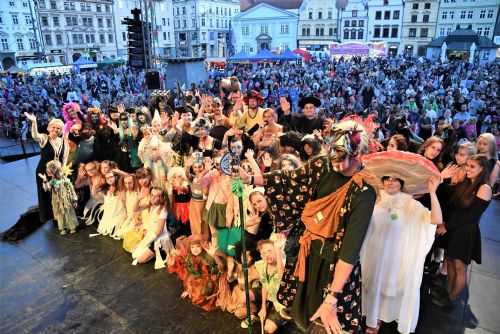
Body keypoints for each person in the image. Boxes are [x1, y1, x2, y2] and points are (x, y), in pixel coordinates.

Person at [239, 120, 378, 333]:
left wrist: (332, 298)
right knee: (306, 316)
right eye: (330, 148)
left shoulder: (364, 192)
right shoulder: (322, 164)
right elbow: (290, 179)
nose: (332, 156)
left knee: (331, 325)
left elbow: (350, 250)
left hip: (333, 266)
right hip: (309, 253)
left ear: (357, 152)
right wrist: (251, 179)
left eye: (339, 151)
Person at [360, 152, 443, 334]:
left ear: (402, 183)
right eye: (387, 178)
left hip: (393, 255)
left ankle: (377, 319)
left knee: (385, 286)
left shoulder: (408, 203)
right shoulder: (372, 195)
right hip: (370, 251)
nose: (390, 182)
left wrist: (433, 193)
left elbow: (436, 219)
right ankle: (370, 316)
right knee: (370, 284)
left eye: (395, 179)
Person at [433, 155, 492, 307]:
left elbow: (469, 216)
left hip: (465, 232)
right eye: (468, 166)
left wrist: (447, 226)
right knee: (451, 263)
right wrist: (440, 178)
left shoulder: (484, 189)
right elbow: (449, 198)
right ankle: (448, 291)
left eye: (472, 167)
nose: (467, 169)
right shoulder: (466, 184)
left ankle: (452, 297)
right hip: (454, 228)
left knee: (459, 267)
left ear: (482, 169)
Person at [24, 112, 69, 224]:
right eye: (54, 127)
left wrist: (63, 172)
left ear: (61, 130)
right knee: (45, 193)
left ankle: (58, 214)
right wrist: (34, 122)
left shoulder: (64, 142)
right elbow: (35, 136)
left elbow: (64, 158)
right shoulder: (44, 138)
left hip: (57, 172)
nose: (56, 129)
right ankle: (48, 215)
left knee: (58, 192)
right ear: (49, 128)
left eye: (58, 128)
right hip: (43, 171)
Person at [39, 160, 79, 235]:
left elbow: (72, 190)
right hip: (58, 201)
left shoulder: (66, 180)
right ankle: (63, 227)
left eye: (60, 172)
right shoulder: (53, 182)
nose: (59, 174)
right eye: (57, 173)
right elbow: (46, 188)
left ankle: (72, 226)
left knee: (69, 213)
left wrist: (75, 200)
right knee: (60, 215)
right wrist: (45, 181)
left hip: (67, 200)